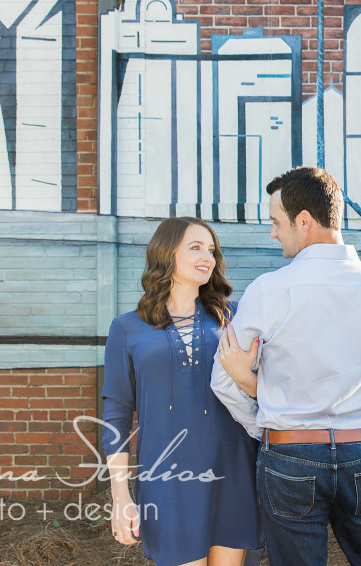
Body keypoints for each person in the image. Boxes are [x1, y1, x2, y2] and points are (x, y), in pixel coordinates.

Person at [211, 166, 361, 566]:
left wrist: (266, 422)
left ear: (304, 221)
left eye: (275, 222)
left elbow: (224, 377)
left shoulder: (269, 290)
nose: (273, 233)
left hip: (290, 456)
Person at [101, 216, 263, 566]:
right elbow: (115, 415)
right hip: (168, 480)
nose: (207, 256)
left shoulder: (235, 318)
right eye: (195, 247)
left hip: (233, 472)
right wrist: (119, 495)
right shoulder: (127, 328)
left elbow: (267, 386)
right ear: (167, 253)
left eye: (211, 250)